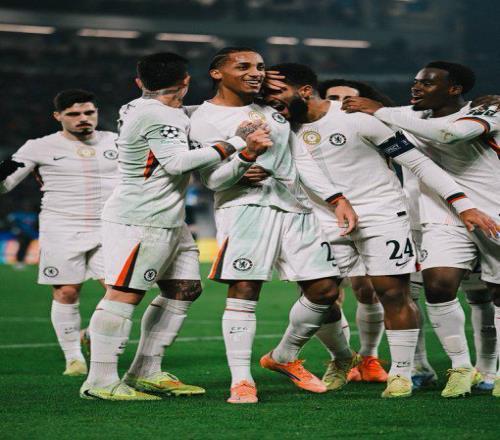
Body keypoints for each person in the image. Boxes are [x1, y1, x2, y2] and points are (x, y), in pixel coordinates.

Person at [263, 62, 496, 398]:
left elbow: (417, 162)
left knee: (393, 293)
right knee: (321, 293)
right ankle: (339, 357)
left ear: (304, 91)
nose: (269, 99)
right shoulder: (278, 127)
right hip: (320, 220)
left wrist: (461, 203)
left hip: (381, 215)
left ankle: (401, 374)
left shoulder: (358, 119)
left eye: (276, 91)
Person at [80, 52, 271, 401]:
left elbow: (185, 118)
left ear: (140, 83)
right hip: (141, 217)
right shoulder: (158, 115)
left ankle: (146, 371)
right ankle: (100, 381)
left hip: (168, 218)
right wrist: (238, 142)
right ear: (186, 81)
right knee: (124, 294)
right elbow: (177, 163)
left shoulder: (140, 107)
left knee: (184, 289)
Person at [190, 47, 359, 404]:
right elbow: (213, 180)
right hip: (246, 209)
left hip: (296, 208)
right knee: (245, 289)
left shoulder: (272, 111)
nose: (255, 72)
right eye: (244, 66)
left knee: (325, 290)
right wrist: (245, 158)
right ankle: (241, 381)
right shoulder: (204, 119)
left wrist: (336, 198)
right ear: (217, 73)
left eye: (260, 67)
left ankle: (283, 356)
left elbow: (300, 159)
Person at [343, 60, 500, 397]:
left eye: (427, 83)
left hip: (492, 212)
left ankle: (493, 371)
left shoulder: (486, 111)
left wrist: (380, 110)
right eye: (415, 81)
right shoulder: (409, 116)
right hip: (443, 214)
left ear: (454, 89)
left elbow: (450, 134)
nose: (416, 87)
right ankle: (460, 367)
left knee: (495, 294)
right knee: (438, 286)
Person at [0, 89, 119, 376]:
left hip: (111, 225)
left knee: (119, 292)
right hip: (62, 227)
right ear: (58, 116)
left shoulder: (117, 141)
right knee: (66, 291)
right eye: (74, 114)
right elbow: (7, 181)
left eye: (88, 112)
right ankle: (74, 358)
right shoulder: (38, 146)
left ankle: (91, 333)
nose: (83, 118)